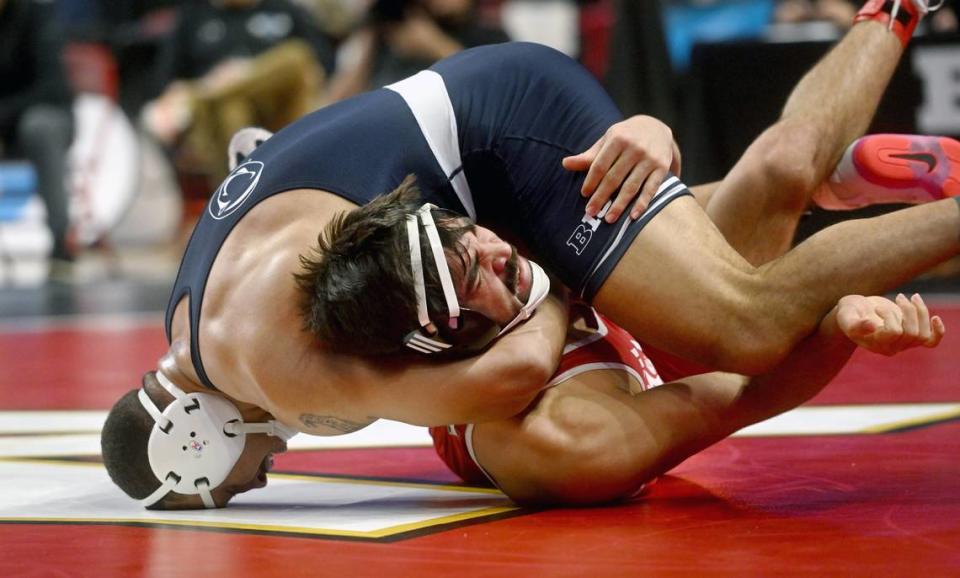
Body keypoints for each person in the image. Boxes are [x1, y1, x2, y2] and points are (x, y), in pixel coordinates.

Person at [101, 0, 956, 507]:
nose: (259, 475)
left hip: (498, 153)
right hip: (466, 182)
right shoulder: (194, 303)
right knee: (776, 175)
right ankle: (892, 13)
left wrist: (553, 268)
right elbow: (278, 149)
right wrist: (839, 324)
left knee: (744, 323)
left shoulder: (278, 362)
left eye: (230, 477)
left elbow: (508, 375)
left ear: (194, 440)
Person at [141, 0, 336, 180]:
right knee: (232, 107)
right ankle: (246, 192)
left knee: (296, 55)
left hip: (282, 113)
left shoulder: (283, 9)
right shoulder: (193, 16)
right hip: (215, 125)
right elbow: (166, 81)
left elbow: (322, 65)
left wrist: (237, 76)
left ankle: (206, 93)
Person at [0, 0, 76, 270]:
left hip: (49, 117)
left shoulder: (37, 15)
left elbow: (52, 87)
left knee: (38, 127)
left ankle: (61, 241)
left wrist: (5, 113)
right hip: (7, 123)